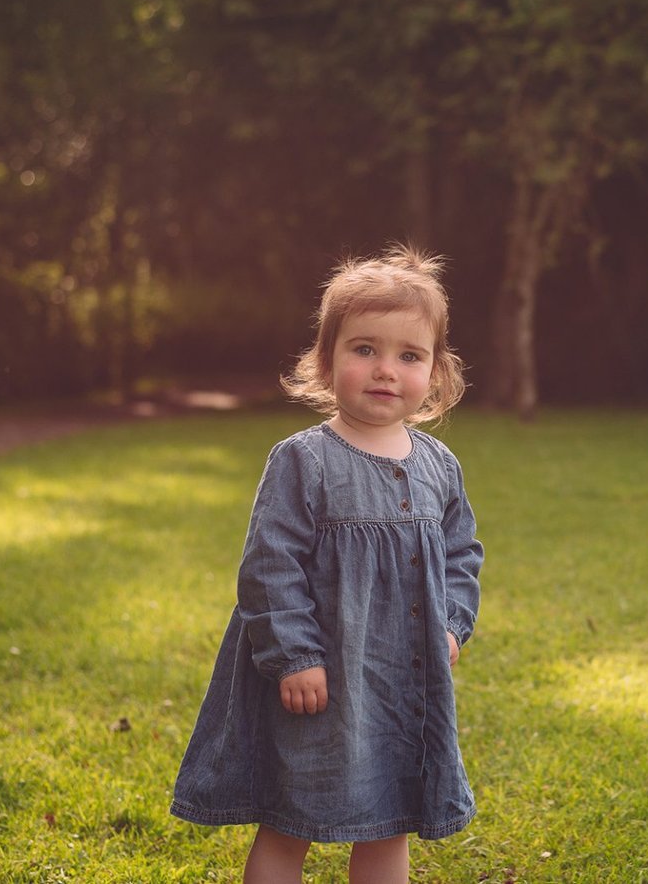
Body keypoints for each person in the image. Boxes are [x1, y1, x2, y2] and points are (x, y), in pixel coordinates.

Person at [171, 245, 483, 884]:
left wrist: (452, 623)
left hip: (402, 682)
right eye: (364, 349)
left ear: (437, 370)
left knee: (391, 814)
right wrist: (295, 656)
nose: (385, 370)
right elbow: (270, 565)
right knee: (294, 815)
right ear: (326, 360)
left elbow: (461, 553)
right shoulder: (303, 460)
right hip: (319, 680)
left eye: (409, 355)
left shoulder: (438, 466)